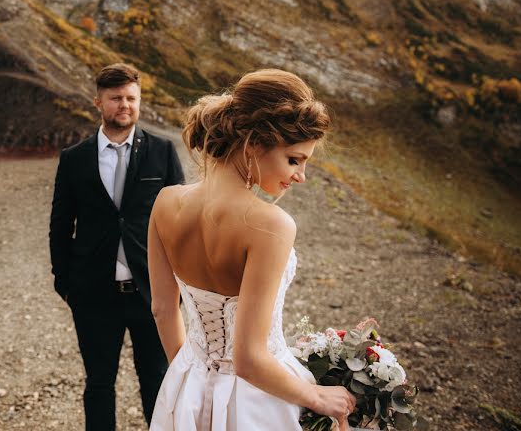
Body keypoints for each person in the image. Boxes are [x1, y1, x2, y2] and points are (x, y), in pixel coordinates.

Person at [147, 69, 357, 430]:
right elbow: (249, 360)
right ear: (255, 144)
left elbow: (163, 310)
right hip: (256, 403)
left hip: (186, 384)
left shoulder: (165, 202)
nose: (300, 176)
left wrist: (192, 378)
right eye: (294, 159)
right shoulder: (271, 225)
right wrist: (318, 397)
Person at [49, 63, 186, 431]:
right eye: (115, 98)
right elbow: (60, 225)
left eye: (131, 98)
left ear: (139, 102)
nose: (124, 105)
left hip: (153, 295)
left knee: (158, 384)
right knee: (98, 384)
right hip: (94, 296)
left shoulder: (162, 152)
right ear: (99, 102)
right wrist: (65, 283)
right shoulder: (74, 159)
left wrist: (180, 290)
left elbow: (182, 224)